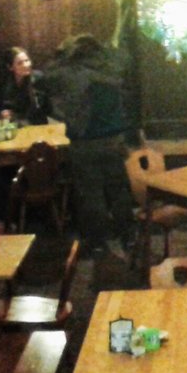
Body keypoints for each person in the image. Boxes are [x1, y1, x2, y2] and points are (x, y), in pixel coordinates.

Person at [39, 33, 135, 255]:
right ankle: (128, 237)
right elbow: (123, 60)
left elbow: (46, 77)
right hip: (114, 139)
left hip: (84, 142)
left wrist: (62, 53)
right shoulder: (110, 68)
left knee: (91, 194)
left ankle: (98, 242)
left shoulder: (70, 73)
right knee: (119, 191)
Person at [0, 46, 48, 126]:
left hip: (35, 126)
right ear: (10, 67)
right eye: (20, 63)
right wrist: (0, 116)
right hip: (11, 128)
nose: (26, 65)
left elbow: (46, 110)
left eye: (27, 60)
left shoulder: (38, 80)